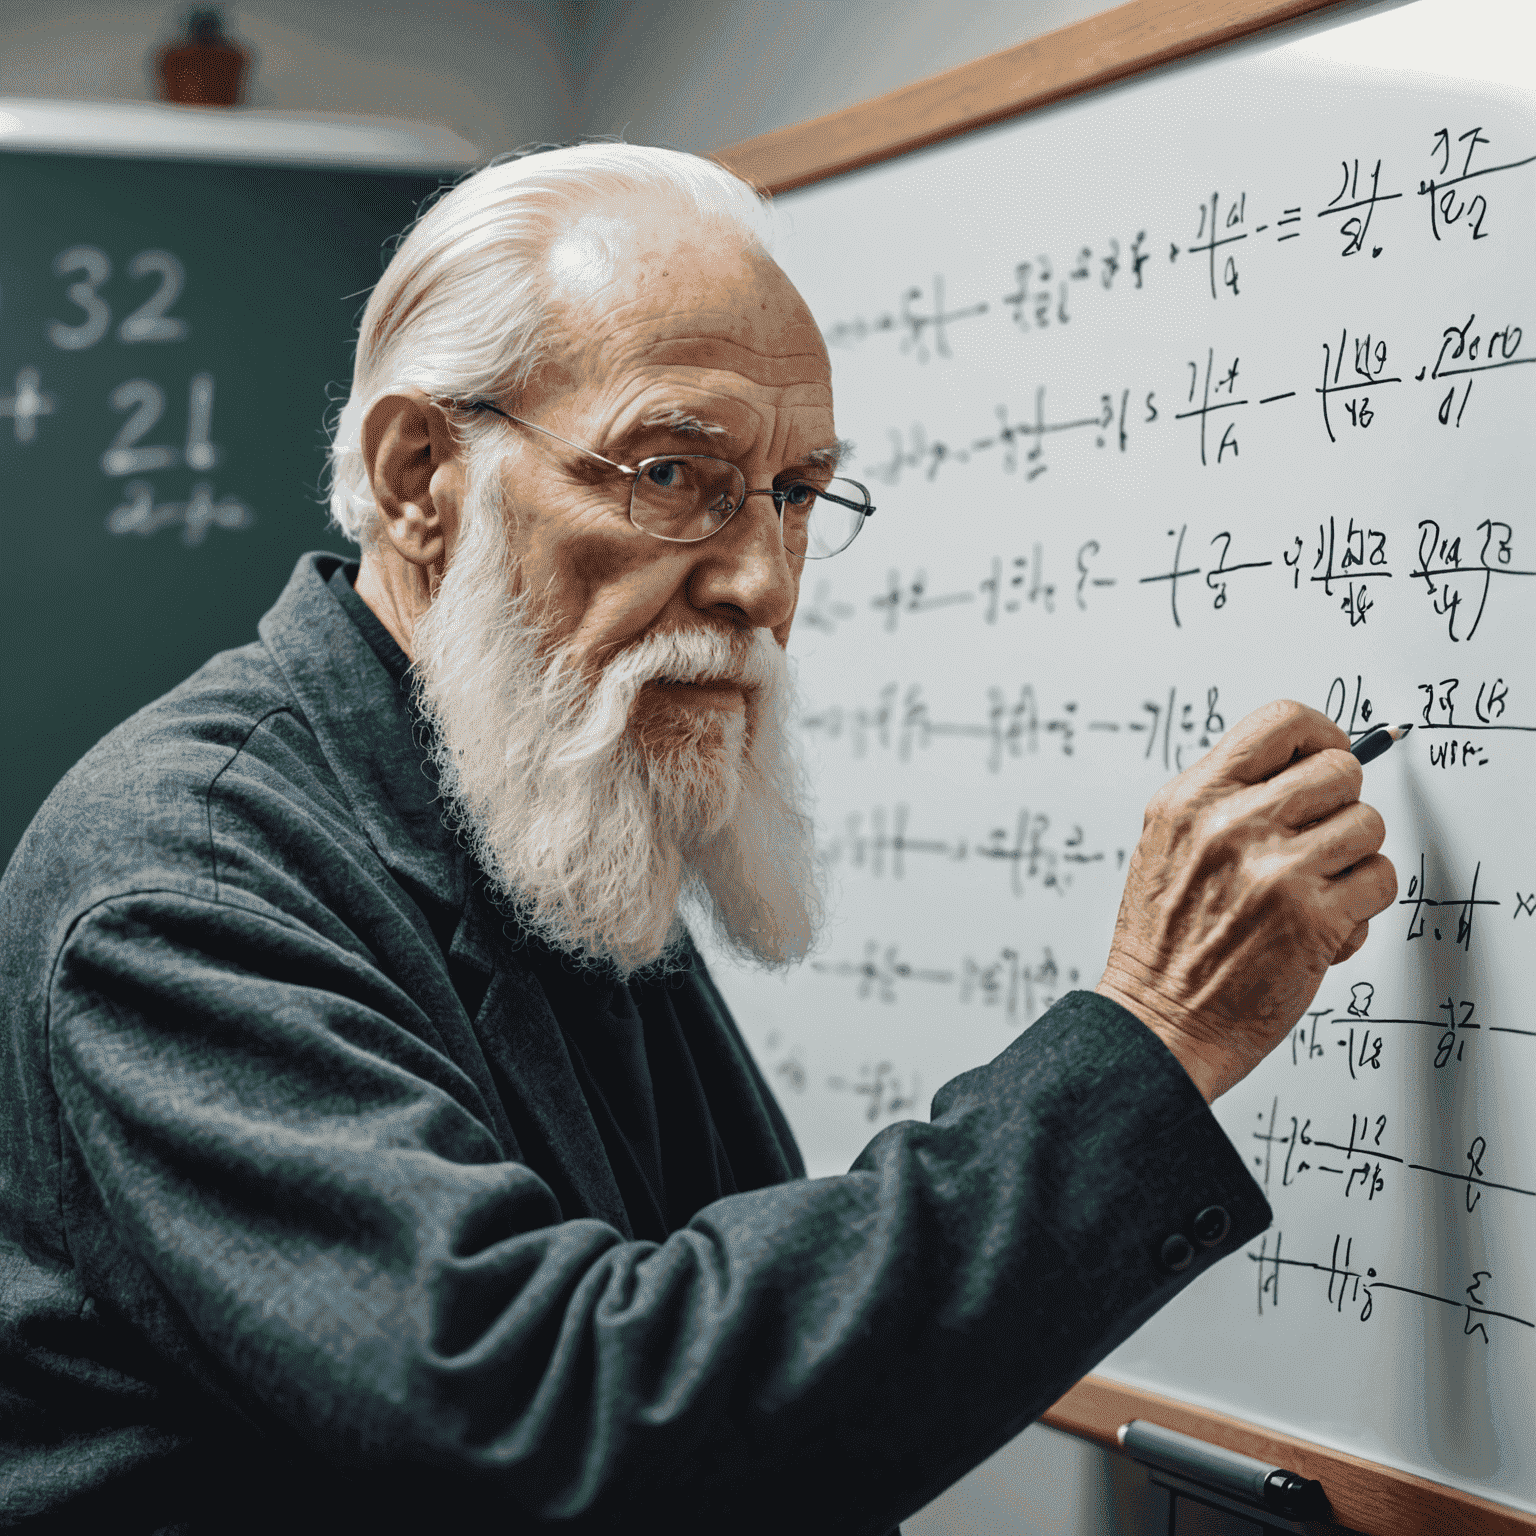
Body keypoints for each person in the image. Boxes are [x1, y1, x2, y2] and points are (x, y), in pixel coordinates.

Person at [0, 143, 1395, 1534]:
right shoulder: (176, 877)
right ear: (422, 473)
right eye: (675, 474)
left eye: (797, 496)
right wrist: (1150, 1034)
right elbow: (563, 1425)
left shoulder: (541, 791)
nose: (762, 585)